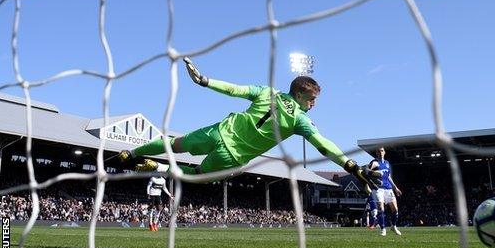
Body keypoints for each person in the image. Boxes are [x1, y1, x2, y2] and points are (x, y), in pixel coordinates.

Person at [119, 57, 378, 189]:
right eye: (311, 99)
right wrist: (351, 165)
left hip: (217, 132)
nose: (314, 104)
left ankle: (132, 152)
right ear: (299, 95)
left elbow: (234, 89)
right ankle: (159, 169)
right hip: (231, 156)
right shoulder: (300, 119)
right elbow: (322, 145)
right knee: (198, 177)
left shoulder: (267, 92)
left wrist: (204, 81)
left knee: (175, 143)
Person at [368, 147, 402, 236]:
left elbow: (388, 176)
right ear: (376, 153)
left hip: (388, 188)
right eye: (378, 151)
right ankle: (383, 229)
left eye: (382, 151)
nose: (380, 152)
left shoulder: (387, 163)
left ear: (384, 152)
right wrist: (372, 174)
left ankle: (393, 226)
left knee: (395, 209)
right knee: (381, 208)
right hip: (378, 188)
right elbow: (367, 172)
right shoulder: (374, 162)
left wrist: (395, 188)